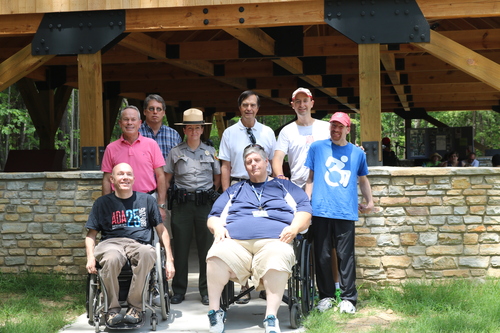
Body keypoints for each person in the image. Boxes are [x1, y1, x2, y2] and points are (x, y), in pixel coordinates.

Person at [205, 144, 312, 333]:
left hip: (274, 241)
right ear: (245, 167)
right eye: (248, 162)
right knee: (215, 254)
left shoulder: (285, 186)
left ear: (266, 162)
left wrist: (294, 227)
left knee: (278, 255)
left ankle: (271, 317)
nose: (253, 164)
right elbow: (213, 215)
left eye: (256, 160)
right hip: (236, 244)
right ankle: (215, 313)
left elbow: (304, 210)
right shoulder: (235, 190)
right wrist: (217, 228)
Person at [85, 163, 175, 326]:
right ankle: (111, 310)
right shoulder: (102, 203)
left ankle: (136, 307)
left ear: (134, 179)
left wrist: (169, 260)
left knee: (148, 253)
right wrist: (90, 258)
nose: (125, 177)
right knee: (111, 258)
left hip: (138, 244)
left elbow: (162, 231)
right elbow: (91, 235)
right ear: (112, 179)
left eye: (128, 174)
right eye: (120, 174)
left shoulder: (147, 200)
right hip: (111, 243)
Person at [272, 87, 341, 296]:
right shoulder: (287, 131)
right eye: (297, 101)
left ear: (312, 103)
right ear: (292, 105)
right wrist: (280, 177)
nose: (302, 105)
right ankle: (305, 284)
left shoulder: (324, 127)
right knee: (300, 239)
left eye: (305, 101)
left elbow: (340, 146)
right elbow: (277, 159)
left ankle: (335, 286)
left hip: (325, 189)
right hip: (298, 190)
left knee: (329, 242)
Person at [305, 111, 374, 314]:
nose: (335, 130)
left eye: (339, 126)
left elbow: (363, 179)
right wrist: (306, 204)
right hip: (320, 211)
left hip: (345, 211)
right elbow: (310, 178)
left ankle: (348, 299)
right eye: (333, 126)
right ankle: (325, 297)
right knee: (322, 256)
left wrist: (369, 201)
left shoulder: (358, 153)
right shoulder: (317, 148)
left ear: (347, 129)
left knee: (346, 257)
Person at [218, 90, 276, 303]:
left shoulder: (268, 132)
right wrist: (226, 194)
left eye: (252, 105)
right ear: (240, 108)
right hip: (239, 185)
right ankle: (243, 285)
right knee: (239, 235)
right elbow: (225, 165)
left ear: (258, 109)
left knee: (264, 233)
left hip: (264, 187)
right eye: (245, 105)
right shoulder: (229, 133)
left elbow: (273, 161)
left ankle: (264, 282)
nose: (249, 109)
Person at [164, 108, 221, 306]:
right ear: (185, 130)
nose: (194, 131)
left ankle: (206, 290)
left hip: (204, 205)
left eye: (197, 128)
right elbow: (167, 177)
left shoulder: (211, 151)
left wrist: (210, 192)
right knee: (180, 248)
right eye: (190, 128)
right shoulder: (175, 152)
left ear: (202, 130)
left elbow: (217, 176)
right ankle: (179, 290)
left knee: (207, 248)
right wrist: (162, 203)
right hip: (182, 205)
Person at [101, 106, 167, 221]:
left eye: (133, 119)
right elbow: (107, 179)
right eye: (126, 119)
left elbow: (160, 176)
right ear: (120, 123)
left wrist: (161, 205)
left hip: (148, 200)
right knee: (121, 237)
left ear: (140, 123)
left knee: (150, 238)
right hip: (119, 202)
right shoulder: (111, 148)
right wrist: (106, 205)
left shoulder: (151, 145)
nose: (129, 123)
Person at [139, 94, 183, 237]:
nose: (155, 112)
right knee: (142, 231)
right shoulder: (136, 133)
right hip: (143, 190)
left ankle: (165, 259)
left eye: (159, 109)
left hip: (168, 190)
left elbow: (179, 164)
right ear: (145, 111)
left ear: (164, 112)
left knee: (165, 231)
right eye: (151, 109)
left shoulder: (174, 135)